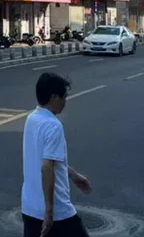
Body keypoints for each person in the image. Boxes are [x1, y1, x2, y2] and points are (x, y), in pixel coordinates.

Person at [21, 72, 93, 237]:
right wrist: (49, 211)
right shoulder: (54, 126)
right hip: (58, 212)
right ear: (54, 97)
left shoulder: (31, 119)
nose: (65, 102)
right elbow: (47, 167)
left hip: (30, 207)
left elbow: (48, 159)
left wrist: (73, 175)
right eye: (64, 97)